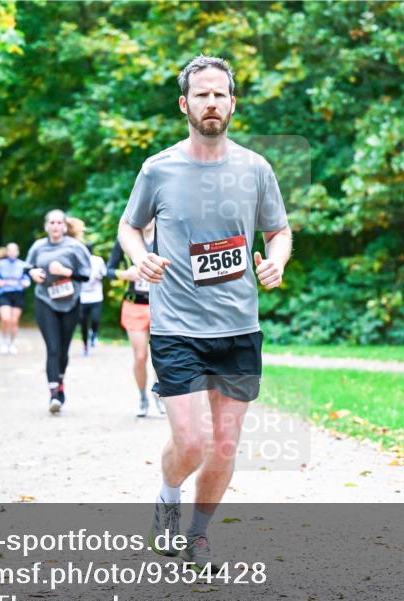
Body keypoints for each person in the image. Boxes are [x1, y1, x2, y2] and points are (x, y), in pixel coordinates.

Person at [118, 56, 292, 570]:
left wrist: (276, 262)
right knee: (191, 442)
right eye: (201, 95)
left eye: (220, 94)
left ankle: (198, 535)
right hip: (176, 328)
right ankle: (167, 498)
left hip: (239, 328)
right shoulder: (159, 168)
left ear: (232, 103)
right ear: (184, 104)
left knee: (223, 445)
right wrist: (139, 256)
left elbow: (277, 231)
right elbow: (130, 227)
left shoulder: (256, 168)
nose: (211, 103)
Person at [24, 210, 92, 414]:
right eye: (51, 222)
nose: (55, 226)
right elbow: (27, 267)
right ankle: (54, 395)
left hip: (70, 303)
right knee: (52, 348)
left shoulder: (75, 247)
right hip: (45, 300)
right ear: (46, 226)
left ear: (64, 226)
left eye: (59, 222)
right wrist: (32, 272)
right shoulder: (38, 247)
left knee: (63, 349)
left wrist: (66, 272)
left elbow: (86, 275)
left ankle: (60, 382)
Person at [106, 220, 166, 417]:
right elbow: (108, 271)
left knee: (162, 355)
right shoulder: (126, 240)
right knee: (140, 357)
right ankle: (142, 397)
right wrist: (125, 274)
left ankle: (160, 395)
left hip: (163, 305)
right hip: (135, 305)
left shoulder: (166, 237)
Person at [0, 242, 31, 355]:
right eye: (10, 250)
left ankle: (12, 343)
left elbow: (27, 279)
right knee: (5, 318)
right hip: (4, 293)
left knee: (14, 321)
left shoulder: (23, 265)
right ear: (7, 252)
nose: (12, 252)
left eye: (14, 250)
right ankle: (4, 341)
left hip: (18, 294)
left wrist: (26, 283)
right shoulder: (0, 264)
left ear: (18, 252)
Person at [78, 245, 107, 356]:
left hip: (96, 295)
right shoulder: (77, 260)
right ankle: (85, 346)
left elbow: (104, 273)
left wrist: (98, 276)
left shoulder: (98, 260)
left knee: (95, 318)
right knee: (83, 323)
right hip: (82, 296)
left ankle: (94, 333)